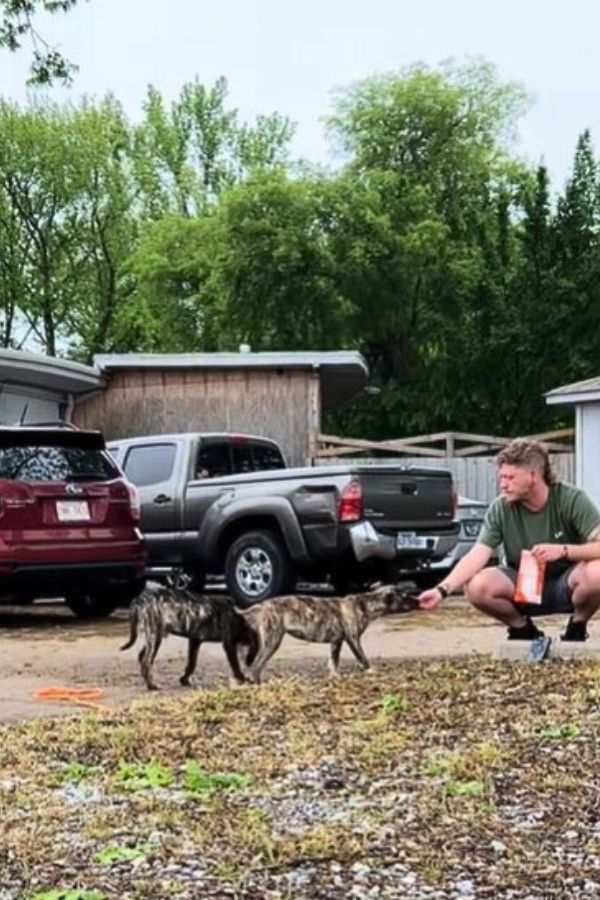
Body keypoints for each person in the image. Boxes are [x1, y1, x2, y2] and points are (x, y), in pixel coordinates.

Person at [418, 438, 600, 642]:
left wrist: (564, 551)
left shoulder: (571, 499)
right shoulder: (500, 508)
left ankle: (577, 625)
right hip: (521, 585)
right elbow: (478, 554)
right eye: (501, 477)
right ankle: (521, 628)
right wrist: (442, 590)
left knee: (597, 571)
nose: (503, 485)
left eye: (510, 477)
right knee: (477, 585)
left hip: (566, 584)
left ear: (533, 475)